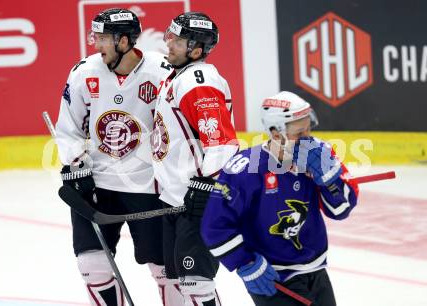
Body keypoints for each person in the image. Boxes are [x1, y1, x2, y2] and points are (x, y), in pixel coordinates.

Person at [55, 8, 176, 306]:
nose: (97, 45)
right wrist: (75, 165)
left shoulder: (162, 72)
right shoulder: (84, 72)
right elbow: (68, 127)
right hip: (96, 184)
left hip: (148, 186)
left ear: (124, 41)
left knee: (163, 269)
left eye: (104, 39)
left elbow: (177, 129)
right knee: (91, 265)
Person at [201, 91, 359, 306]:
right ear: (276, 134)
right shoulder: (245, 169)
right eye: (299, 133)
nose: (308, 138)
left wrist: (330, 180)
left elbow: (342, 210)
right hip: (273, 278)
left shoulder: (320, 153)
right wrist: (244, 263)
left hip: (317, 272)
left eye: (309, 129)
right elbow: (215, 226)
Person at [151, 12, 239, 306]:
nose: (169, 44)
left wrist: (206, 190)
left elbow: (223, 144)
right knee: (182, 284)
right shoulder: (177, 77)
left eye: (178, 40)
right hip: (176, 198)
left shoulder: (198, 81)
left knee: (197, 284)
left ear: (197, 50)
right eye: (170, 37)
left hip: (197, 201)